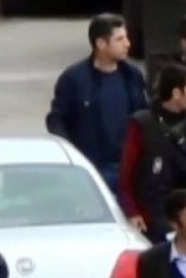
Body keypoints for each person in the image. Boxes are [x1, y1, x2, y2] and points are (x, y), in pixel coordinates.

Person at [46, 13, 148, 195]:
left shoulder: (132, 75)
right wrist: (72, 156)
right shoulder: (74, 79)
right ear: (101, 43)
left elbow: (144, 115)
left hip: (129, 167)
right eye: (120, 39)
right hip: (91, 169)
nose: (127, 44)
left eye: (126, 38)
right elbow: (56, 120)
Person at [118, 64, 186, 243]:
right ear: (176, 93)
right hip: (153, 217)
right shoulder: (143, 124)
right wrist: (132, 211)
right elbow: (126, 175)